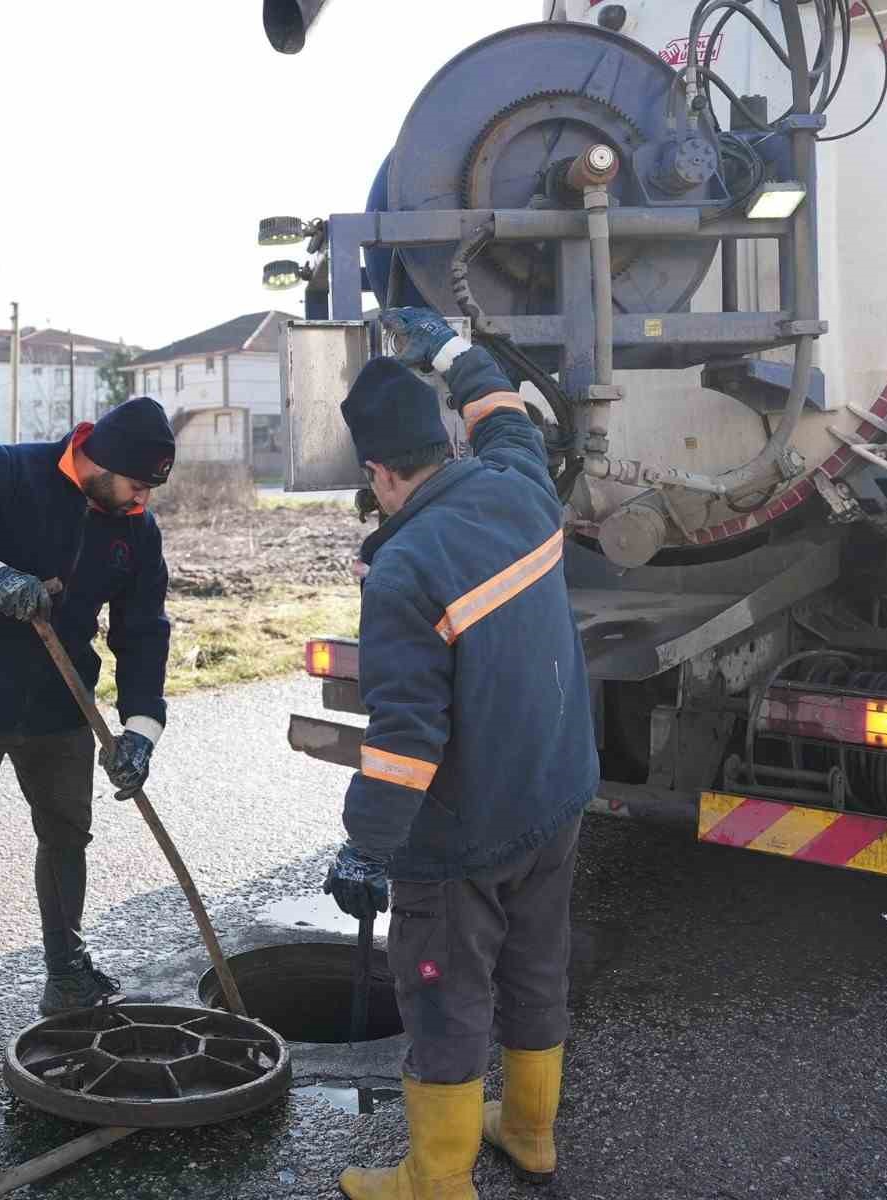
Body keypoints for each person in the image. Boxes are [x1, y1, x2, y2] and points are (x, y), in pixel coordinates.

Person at [322, 308, 599, 1197]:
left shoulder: (405, 574)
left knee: (445, 990)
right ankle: (527, 1132)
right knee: (536, 964)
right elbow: (507, 413)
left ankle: (437, 1178)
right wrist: (449, 348)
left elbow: (405, 741)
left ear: (378, 472)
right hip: (554, 797)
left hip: (465, 833)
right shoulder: (521, 486)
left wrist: (366, 846)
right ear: (439, 443)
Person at [0, 397, 175, 1090]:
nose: (143, 500)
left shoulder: (134, 529)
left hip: (59, 701)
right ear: (102, 460)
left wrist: (141, 729)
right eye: (139, 484)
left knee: (69, 833)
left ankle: (66, 974)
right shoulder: (1, 473)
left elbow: (143, 630)